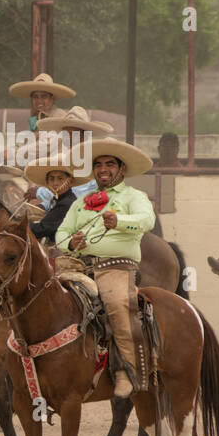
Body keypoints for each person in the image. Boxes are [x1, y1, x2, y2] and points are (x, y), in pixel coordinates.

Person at [54, 138, 156, 398]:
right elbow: (62, 232)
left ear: (121, 169)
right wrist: (70, 241)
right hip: (78, 265)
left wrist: (119, 220)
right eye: (98, 164)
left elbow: (147, 220)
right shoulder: (81, 202)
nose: (103, 169)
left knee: (118, 303)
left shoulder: (134, 197)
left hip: (116, 268)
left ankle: (127, 370)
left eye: (109, 164)